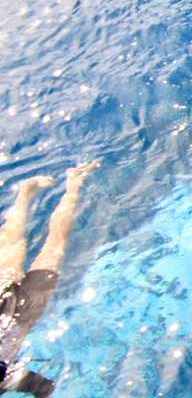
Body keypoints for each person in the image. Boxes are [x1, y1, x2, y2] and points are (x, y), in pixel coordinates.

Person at [0, 162, 99, 397]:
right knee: (12, 245)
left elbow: (44, 386)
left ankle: (74, 184)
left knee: (55, 246)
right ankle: (25, 193)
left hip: (20, 317)